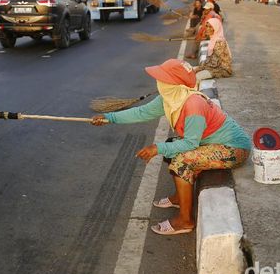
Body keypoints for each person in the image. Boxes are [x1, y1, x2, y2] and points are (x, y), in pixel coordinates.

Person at [91, 59, 251, 235]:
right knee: (171, 146)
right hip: (212, 143)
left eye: (163, 79)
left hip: (233, 150)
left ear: (174, 83)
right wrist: (109, 117)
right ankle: (178, 197)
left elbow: (190, 143)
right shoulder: (171, 97)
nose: (159, 82)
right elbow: (141, 112)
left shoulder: (193, 105)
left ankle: (185, 221)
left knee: (181, 161)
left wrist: (156, 148)